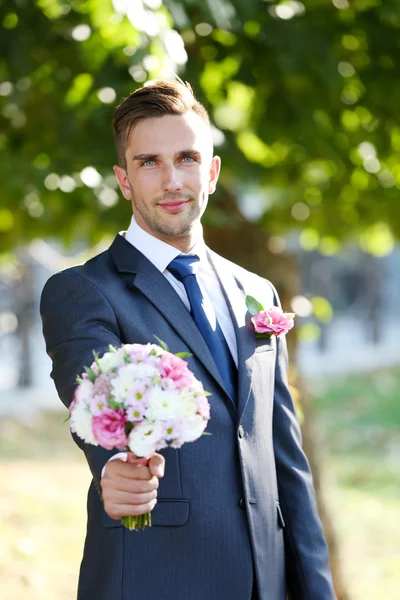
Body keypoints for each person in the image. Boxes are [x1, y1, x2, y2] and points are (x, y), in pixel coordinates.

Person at [40, 80, 336, 600]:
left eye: (187, 158)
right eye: (149, 162)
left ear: (213, 171)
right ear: (124, 180)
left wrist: (316, 588)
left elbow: (285, 461)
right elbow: (90, 401)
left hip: (265, 584)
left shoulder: (257, 291)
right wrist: (114, 470)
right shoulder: (83, 292)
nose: (172, 180)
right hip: (159, 578)